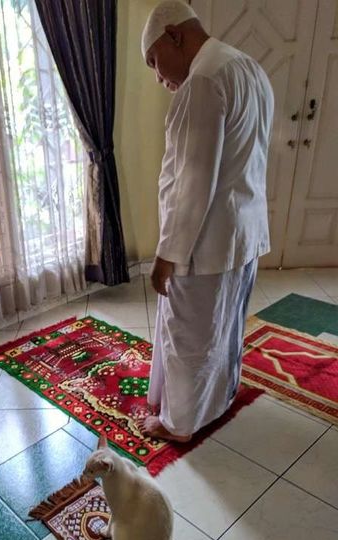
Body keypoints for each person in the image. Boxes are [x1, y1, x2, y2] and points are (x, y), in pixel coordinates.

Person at [137, 0, 274, 442]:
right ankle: (216, 401)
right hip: (243, 235)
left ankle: (178, 424)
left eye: (156, 62)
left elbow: (193, 183)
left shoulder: (203, 81)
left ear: (175, 35)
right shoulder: (249, 68)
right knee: (224, 328)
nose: (159, 78)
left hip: (205, 243)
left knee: (190, 336)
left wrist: (166, 256)